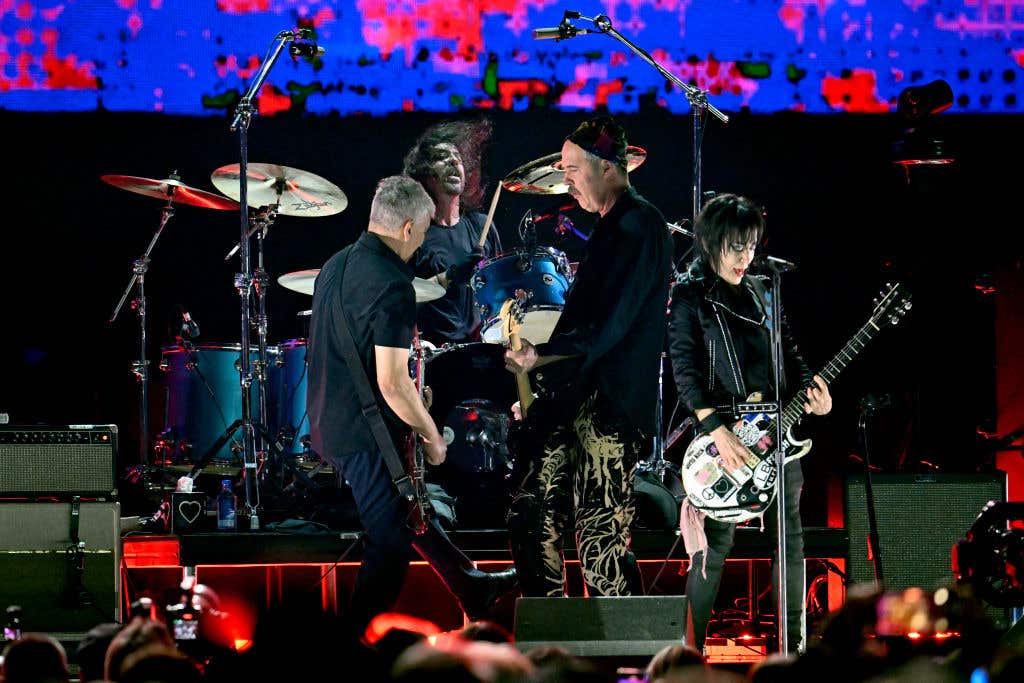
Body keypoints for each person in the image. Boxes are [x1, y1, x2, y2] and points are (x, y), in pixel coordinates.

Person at [306, 175, 515, 634]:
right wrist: (432, 436)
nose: (422, 242)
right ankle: (351, 649)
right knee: (389, 544)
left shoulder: (338, 265)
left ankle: (470, 585)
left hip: (327, 420)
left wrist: (446, 277)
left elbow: (385, 299)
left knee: (408, 508)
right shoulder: (393, 288)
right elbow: (395, 385)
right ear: (405, 229)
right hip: (362, 433)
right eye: (421, 234)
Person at [503, 115, 673, 597]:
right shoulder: (611, 227)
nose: (565, 179)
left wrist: (542, 355)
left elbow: (608, 326)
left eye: (572, 168)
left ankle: (625, 661)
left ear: (606, 167)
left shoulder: (639, 224)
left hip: (611, 408)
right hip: (580, 398)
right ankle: (550, 637)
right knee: (533, 513)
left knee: (601, 539)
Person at [666, 192, 833, 653]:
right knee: (714, 546)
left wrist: (815, 396)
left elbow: (791, 357)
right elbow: (685, 369)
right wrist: (716, 431)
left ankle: (791, 650)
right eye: (736, 246)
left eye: (752, 246)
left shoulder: (765, 290)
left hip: (778, 434)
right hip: (726, 436)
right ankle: (690, 652)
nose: (746, 257)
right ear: (711, 242)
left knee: (790, 541)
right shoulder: (690, 295)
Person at [403, 118, 503, 345]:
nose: (453, 162)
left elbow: (500, 292)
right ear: (423, 174)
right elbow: (399, 300)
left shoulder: (481, 226)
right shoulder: (415, 234)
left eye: (458, 158)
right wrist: (451, 276)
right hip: (436, 356)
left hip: (483, 349)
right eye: (441, 158)